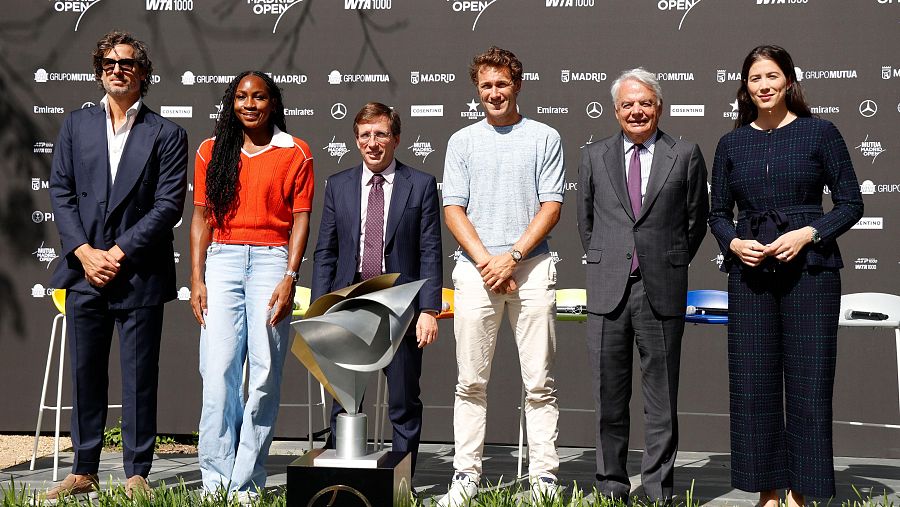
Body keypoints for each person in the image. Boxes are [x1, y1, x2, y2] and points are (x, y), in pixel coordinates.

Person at [708, 45, 863, 506]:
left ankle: (801, 492)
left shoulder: (820, 133)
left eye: (772, 76)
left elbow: (852, 202)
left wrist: (809, 234)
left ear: (789, 80)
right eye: (756, 79)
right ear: (745, 87)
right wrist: (733, 242)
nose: (764, 86)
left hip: (810, 274)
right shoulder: (731, 143)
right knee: (753, 385)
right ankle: (767, 493)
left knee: (809, 384)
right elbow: (718, 214)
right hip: (750, 275)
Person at [46, 30, 188, 500]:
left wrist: (118, 253)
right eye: (108, 62)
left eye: (126, 63)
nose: (116, 69)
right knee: (85, 374)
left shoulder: (167, 134)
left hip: (139, 275)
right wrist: (85, 253)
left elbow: (168, 206)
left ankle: (136, 474)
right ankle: (82, 470)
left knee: (139, 378)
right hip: (84, 272)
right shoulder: (75, 125)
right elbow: (61, 194)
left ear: (143, 74)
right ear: (99, 69)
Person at [437, 46, 565, 507]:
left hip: (530, 269)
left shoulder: (545, 137)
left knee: (539, 383)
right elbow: (453, 208)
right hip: (475, 272)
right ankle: (466, 477)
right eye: (486, 86)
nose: (494, 93)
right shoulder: (462, 142)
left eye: (502, 84)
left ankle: (543, 480)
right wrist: (488, 262)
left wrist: (511, 257)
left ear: (518, 85)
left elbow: (551, 206)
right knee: (469, 381)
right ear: (477, 89)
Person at [576, 68, 709, 503]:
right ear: (616, 111)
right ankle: (611, 485)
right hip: (608, 290)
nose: (637, 111)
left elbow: (695, 222)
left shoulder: (685, 154)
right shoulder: (594, 155)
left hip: (662, 290)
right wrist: (612, 262)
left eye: (645, 103)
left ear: (659, 107)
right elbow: (587, 222)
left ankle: (657, 490)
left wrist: (666, 263)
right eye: (628, 104)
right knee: (608, 399)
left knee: (661, 403)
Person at [190, 71, 314, 501]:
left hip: (271, 262)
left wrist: (290, 276)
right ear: (232, 101)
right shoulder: (211, 150)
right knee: (218, 373)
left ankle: (245, 482)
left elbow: (300, 218)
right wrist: (197, 277)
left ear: (273, 102)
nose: (249, 103)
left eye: (258, 96)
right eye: (241, 96)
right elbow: (201, 219)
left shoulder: (295, 152)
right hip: (222, 261)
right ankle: (215, 482)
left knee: (263, 375)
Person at [311, 102, 442, 477]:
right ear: (356, 140)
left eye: (381, 134)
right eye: (365, 135)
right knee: (343, 401)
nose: (373, 143)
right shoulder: (338, 185)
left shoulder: (420, 184)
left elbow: (430, 249)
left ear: (396, 139)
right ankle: (338, 481)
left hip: (400, 307)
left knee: (402, 401)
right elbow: (326, 250)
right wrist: (321, 310)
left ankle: (402, 483)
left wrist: (429, 310)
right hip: (347, 307)